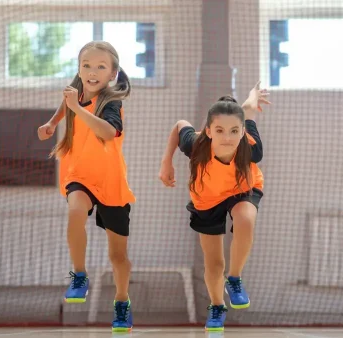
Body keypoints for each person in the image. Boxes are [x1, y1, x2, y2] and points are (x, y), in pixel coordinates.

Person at [37, 41, 134, 332]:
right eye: (86, 65)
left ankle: (122, 301)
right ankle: (80, 275)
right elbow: (65, 105)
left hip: (111, 182)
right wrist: (52, 123)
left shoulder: (111, 102)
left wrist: (76, 109)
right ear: (79, 70)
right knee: (75, 212)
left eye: (100, 67)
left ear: (112, 73)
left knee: (118, 257)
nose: (92, 71)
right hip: (79, 175)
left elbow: (107, 132)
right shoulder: (75, 94)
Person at [158, 82, 270, 331]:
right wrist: (167, 162)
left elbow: (248, 110)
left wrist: (253, 95)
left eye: (233, 131)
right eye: (219, 130)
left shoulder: (251, 147)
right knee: (214, 261)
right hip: (207, 198)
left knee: (245, 218)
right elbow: (179, 125)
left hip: (242, 188)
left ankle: (235, 278)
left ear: (242, 132)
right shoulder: (195, 143)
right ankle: (217, 306)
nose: (227, 137)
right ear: (208, 131)